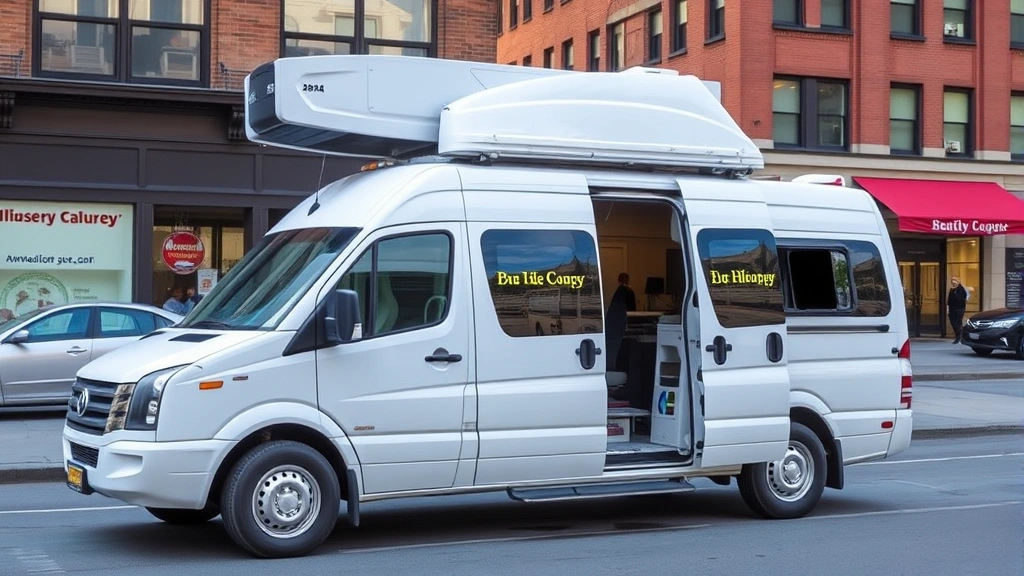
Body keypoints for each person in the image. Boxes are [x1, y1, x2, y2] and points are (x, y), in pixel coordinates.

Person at [947, 276, 968, 344]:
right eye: (952, 280)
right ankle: (958, 336)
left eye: (955, 280)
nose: (953, 282)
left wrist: (956, 294)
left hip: (959, 309)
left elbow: (962, 300)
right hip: (952, 309)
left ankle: (959, 337)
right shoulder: (952, 289)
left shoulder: (961, 289)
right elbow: (949, 300)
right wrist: (948, 308)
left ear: (958, 281)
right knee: (953, 322)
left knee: (958, 323)